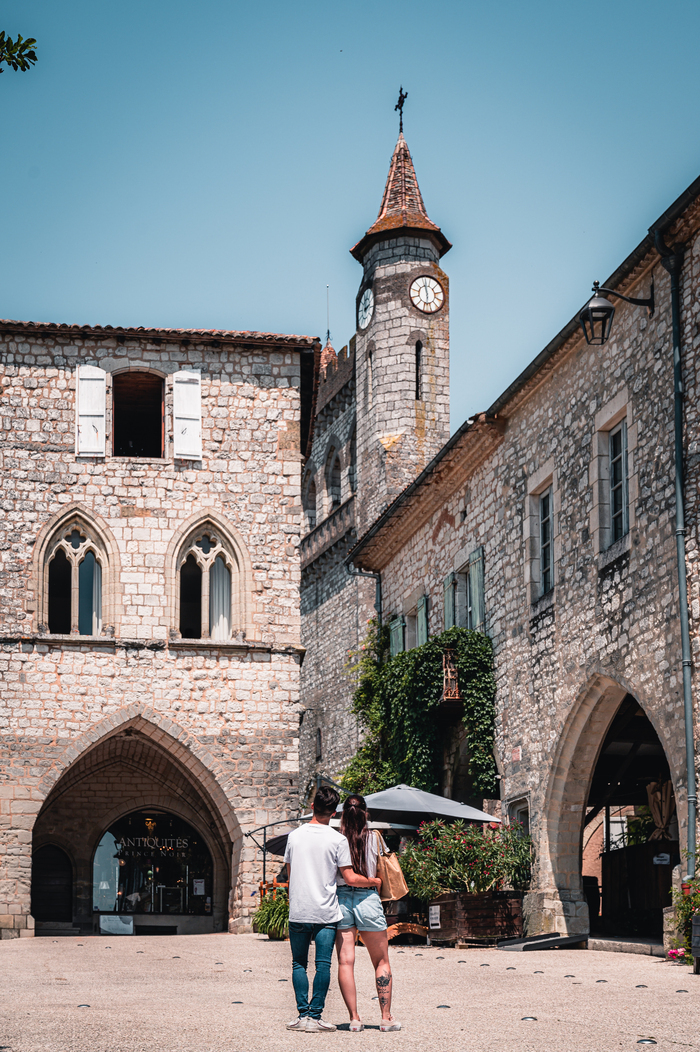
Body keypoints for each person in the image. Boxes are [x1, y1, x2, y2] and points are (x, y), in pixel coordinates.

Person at [284, 786, 382, 1033]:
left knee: (298, 964)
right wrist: (374, 882)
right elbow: (348, 877)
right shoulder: (337, 839)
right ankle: (316, 1017)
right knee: (323, 965)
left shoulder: (294, 836)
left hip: (298, 909)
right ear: (334, 812)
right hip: (325, 911)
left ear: (312, 807)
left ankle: (301, 1015)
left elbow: (290, 873)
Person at [335, 794, 401, 1032]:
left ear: (343, 813)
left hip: (341, 900)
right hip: (368, 899)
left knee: (345, 961)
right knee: (381, 960)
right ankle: (386, 1017)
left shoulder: (336, 839)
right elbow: (386, 865)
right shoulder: (375, 837)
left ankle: (354, 1018)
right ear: (365, 813)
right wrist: (374, 880)